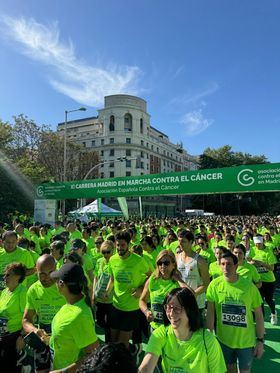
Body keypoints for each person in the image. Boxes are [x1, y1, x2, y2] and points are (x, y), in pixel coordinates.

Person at [139, 287, 226, 372]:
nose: (171, 314)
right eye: (168, 307)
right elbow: (145, 367)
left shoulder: (208, 340)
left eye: (177, 309)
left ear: (190, 310)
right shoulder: (161, 334)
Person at [206, 251, 264, 373]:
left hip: (245, 343)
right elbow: (210, 313)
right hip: (224, 341)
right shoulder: (214, 285)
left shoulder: (249, 287)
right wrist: (209, 334)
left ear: (236, 266)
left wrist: (260, 340)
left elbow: (259, 316)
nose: (225, 267)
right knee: (228, 370)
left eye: (229, 264)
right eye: (222, 264)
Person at [104, 231, 150, 350]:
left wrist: (141, 289)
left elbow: (152, 276)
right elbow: (112, 278)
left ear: (129, 245)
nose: (119, 248)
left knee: (122, 343)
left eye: (122, 245)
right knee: (112, 341)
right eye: (117, 245)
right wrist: (107, 291)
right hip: (115, 305)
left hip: (131, 309)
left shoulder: (138, 260)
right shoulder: (113, 259)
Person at [49, 263, 99, 372]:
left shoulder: (80, 316)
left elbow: (93, 354)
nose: (55, 283)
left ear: (61, 284)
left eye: (56, 280)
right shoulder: (71, 304)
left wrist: (63, 372)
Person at [22, 254, 65, 371]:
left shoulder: (65, 286)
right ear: (36, 271)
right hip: (42, 337)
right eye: (42, 274)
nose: (47, 278)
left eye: (51, 273)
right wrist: (36, 331)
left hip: (63, 337)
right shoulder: (33, 290)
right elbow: (26, 320)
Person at [139, 250, 186, 330]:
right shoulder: (153, 280)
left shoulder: (177, 282)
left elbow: (192, 295)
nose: (163, 266)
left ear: (174, 264)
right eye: (159, 263)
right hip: (155, 328)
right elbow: (142, 300)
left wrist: (179, 279)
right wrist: (147, 312)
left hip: (174, 328)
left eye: (166, 263)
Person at [0, 263, 27, 371]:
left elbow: (29, 316)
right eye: (5, 275)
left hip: (14, 337)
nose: (4, 277)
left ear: (18, 276)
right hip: (2, 335)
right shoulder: (4, 292)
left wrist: (22, 336)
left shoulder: (23, 292)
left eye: (8, 275)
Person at [176, 230, 210, 313]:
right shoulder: (176, 257)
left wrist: (192, 295)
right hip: (180, 302)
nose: (180, 244)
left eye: (183, 241)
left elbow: (206, 284)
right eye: (179, 241)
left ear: (191, 242)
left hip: (196, 303)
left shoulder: (200, 261)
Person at [248, 235, 277, 324]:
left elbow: (272, 268)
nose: (257, 246)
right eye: (256, 244)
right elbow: (248, 260)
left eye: (259, 244)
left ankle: (273, 313)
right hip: (258, 280)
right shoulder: (252, 249)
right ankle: (262, 321)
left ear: (262, 242)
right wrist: (252, 263)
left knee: (269, 300)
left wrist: (261, 264)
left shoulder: (268, 252)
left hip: (268, 280)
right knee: (259, 301)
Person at [92, 240, 114, 342]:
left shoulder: (115, 262)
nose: (106, 254)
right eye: (103, 252)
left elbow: (112, 279)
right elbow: (96, 277)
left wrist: (107, 293)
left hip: (111, 299)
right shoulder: (99, 261)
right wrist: (93, 292)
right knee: (100, 320)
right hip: (99, 297)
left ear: (113, 251)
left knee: (109, 324)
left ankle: (108, 343)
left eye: (108, 252)